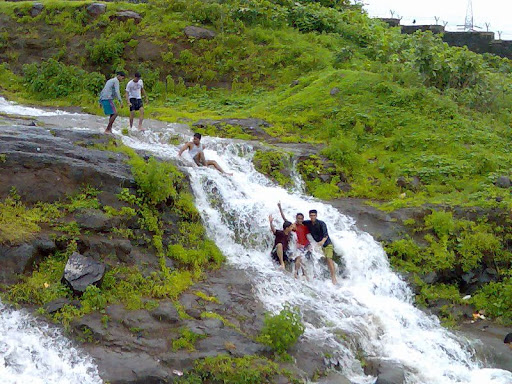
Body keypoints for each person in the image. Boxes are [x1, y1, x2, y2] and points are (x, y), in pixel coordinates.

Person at [303, 209, 338, 285]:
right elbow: (298, 222)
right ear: (309, 216)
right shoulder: (307, 223)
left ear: (316, 216)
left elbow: (326, 235)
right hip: (317, 245)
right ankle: (318, 276)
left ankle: (333, 277)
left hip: (327, 244)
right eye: (311, 215)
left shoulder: (322, 223)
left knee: (328, 259)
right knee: (318, 258)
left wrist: (322, 241)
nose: (312, 217)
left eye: (314, 215)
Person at [278, 202, 310, 279]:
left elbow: (308, 237)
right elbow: (285, 219)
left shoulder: (305, 227)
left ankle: (304, 274)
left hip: (303, 246)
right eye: (298, 218)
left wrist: (309, 245)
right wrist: (280, 208)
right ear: (296, 218)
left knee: (302, 259)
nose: (300, 220)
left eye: (301, 219)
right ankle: (296, 273)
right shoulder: (293, 226)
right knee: (299, 257)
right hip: (296, 247)